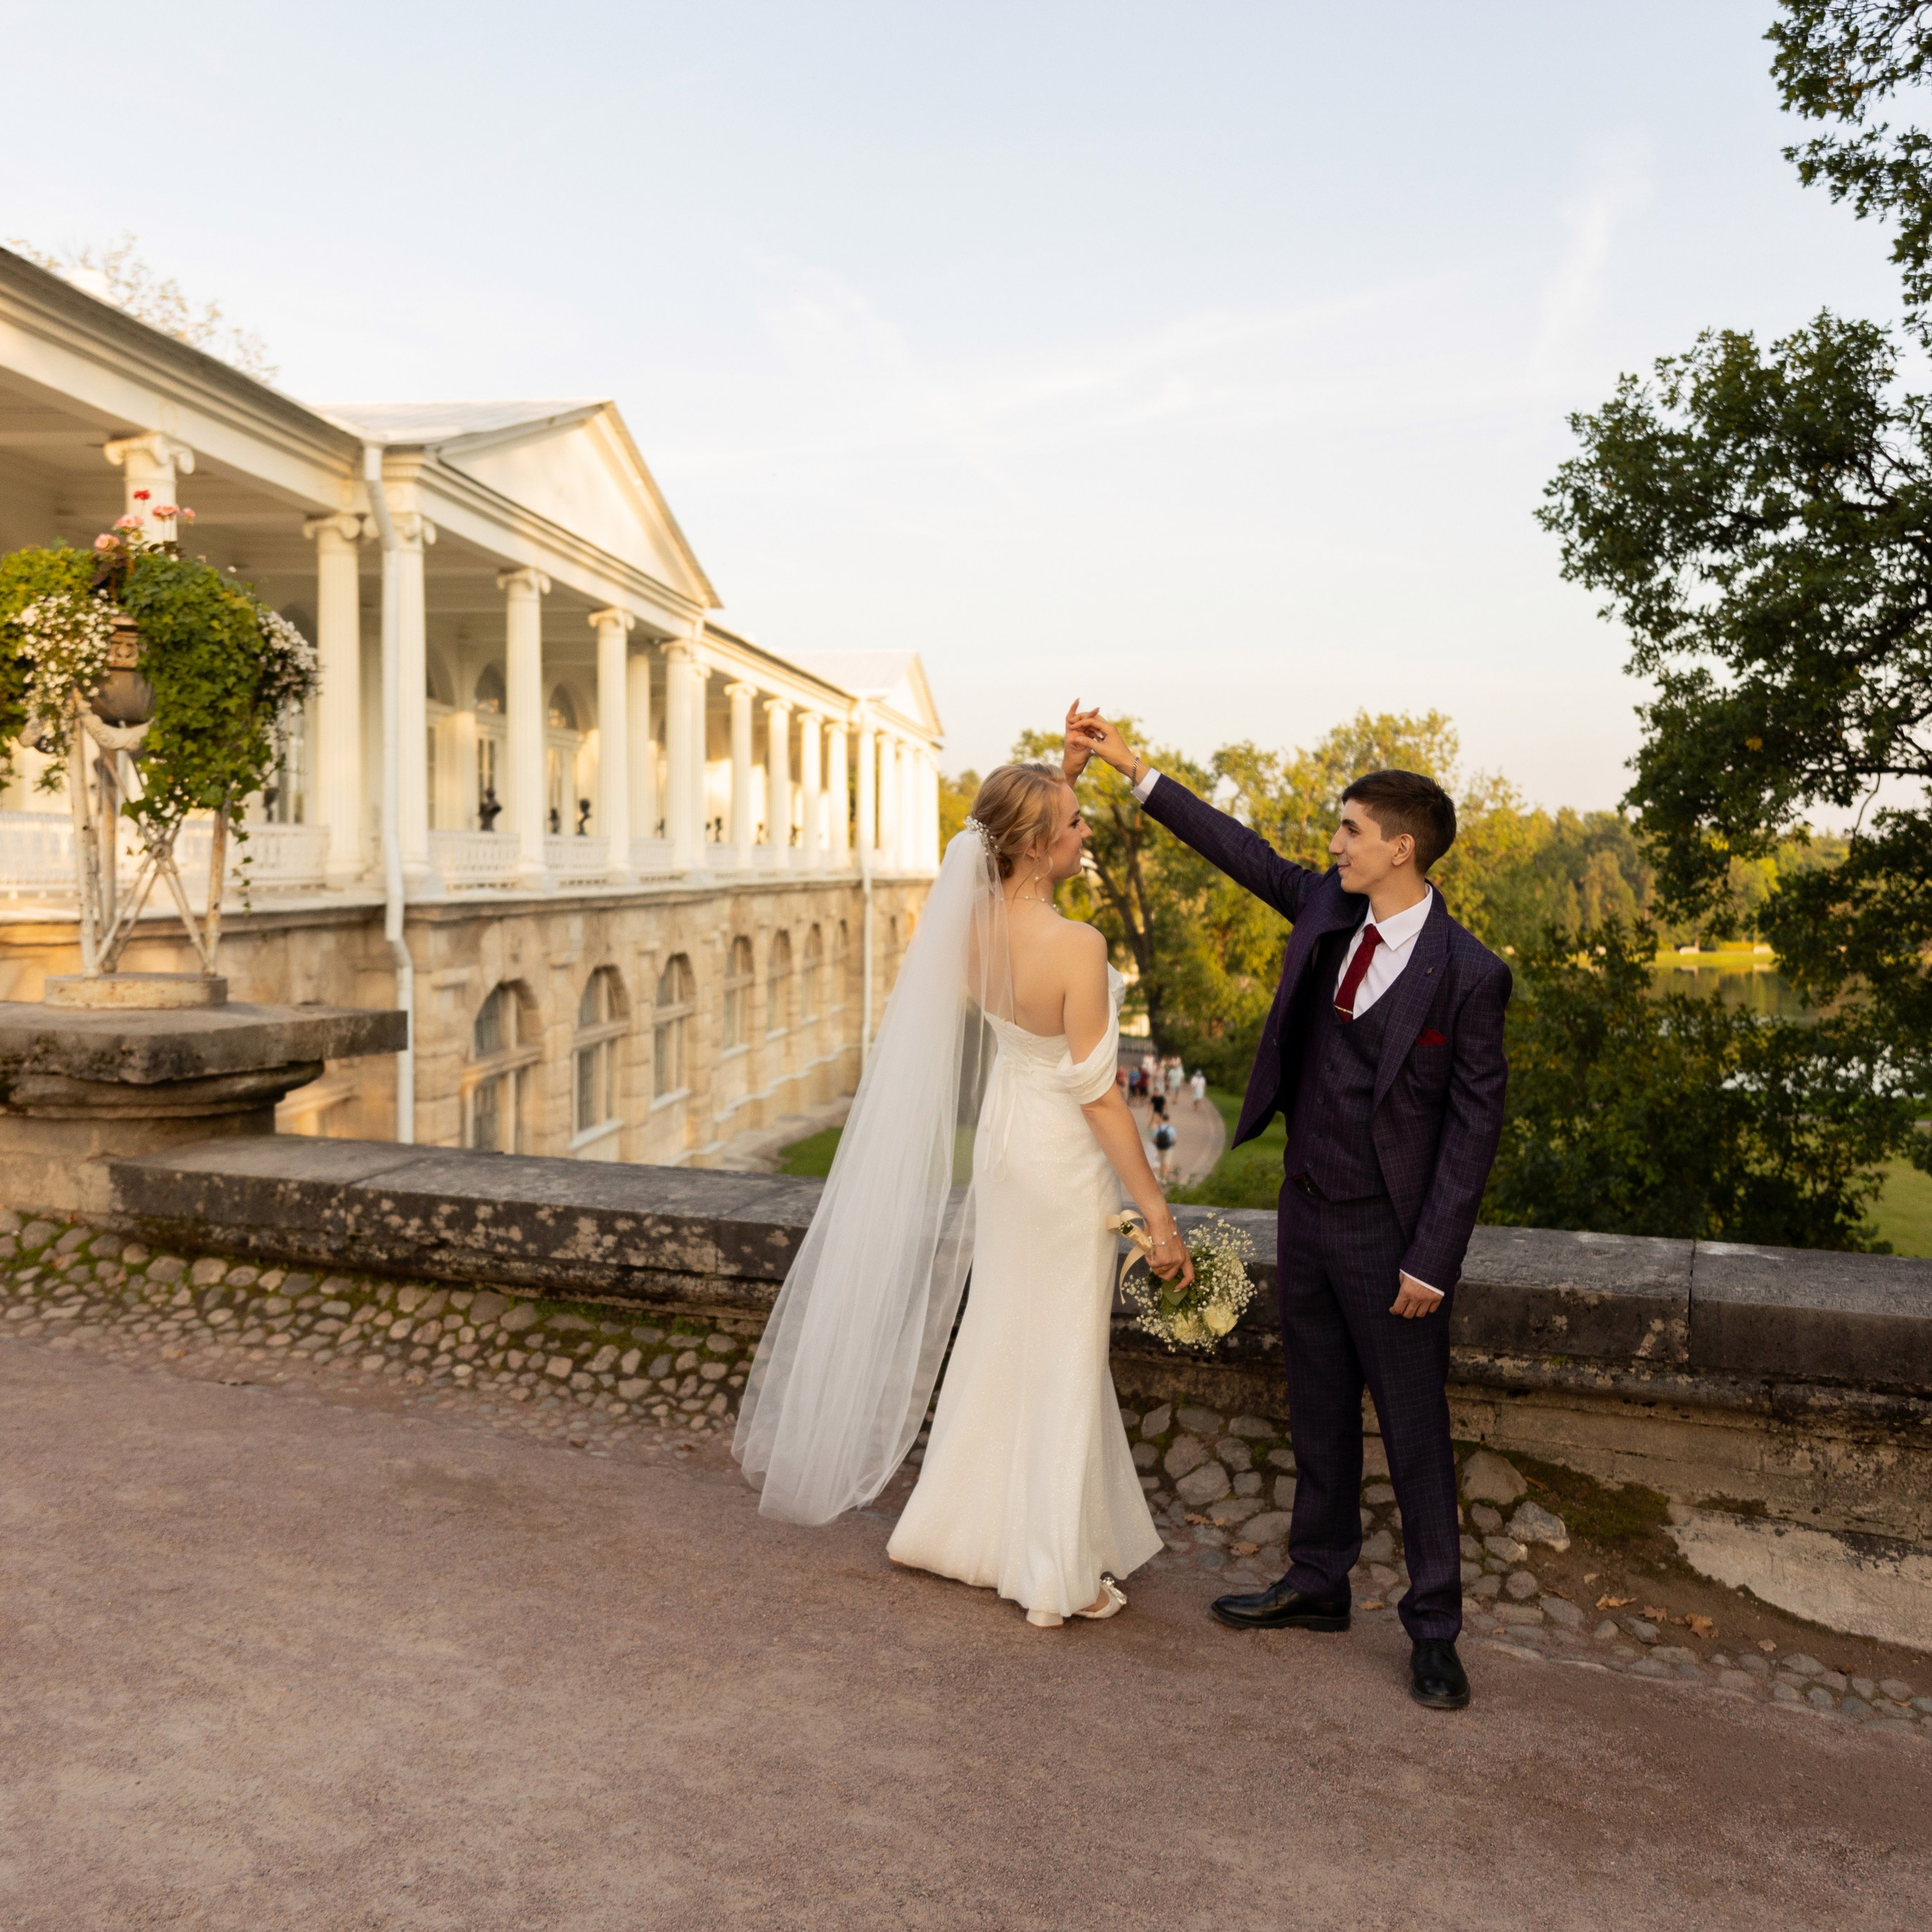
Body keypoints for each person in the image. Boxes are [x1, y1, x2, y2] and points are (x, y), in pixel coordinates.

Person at [1066, 703, 1509, 1714]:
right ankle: (1318, 1582)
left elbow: (1472, 1130)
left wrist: (1432, 1259)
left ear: (1400, 849)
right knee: (1315, 1410)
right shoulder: (1326, 906)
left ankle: (1433, 1630)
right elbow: (1239, 850)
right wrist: (1133, 770)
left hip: (1392, 1237)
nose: (1334, 844)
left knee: (1415, 1434)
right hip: (1305, 1210)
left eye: (1350, 830)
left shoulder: (1470, 975)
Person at [734, 759, 1186, 1629]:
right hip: (1060, 1156)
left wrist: (1054, 776)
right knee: (1062, 1348)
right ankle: (1052, 1569)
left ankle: (953, 1527)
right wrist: (1157, 1214)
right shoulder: (1078, 945)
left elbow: (1013, 840)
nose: (1086, 830)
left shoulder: (967, 925)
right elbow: (1098, 1096)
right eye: (1074, 821)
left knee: (1003, 1331)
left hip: (1006, 1148)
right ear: (1035, 843)